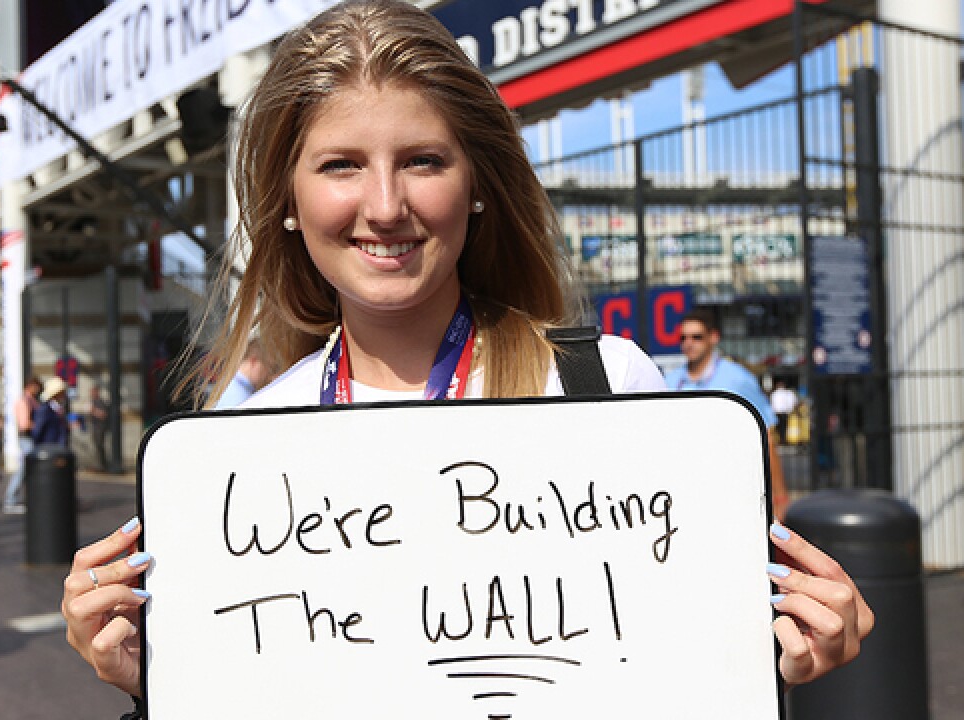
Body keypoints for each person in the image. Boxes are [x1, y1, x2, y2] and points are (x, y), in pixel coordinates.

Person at [59, 0, 872, 707]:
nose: (385, 206)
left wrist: (776, 656)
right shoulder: (249, 438)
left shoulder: (604, 383)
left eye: (422, 160)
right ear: (289, 204)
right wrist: (163, 674)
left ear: (476, 184)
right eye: (341, 165)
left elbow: (672, 662)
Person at [666, 309, 792, 517]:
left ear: (713, 337)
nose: (689, 343)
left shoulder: (737, 378)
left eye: (697, 337)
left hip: (733, 488)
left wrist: (779, 496)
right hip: (684, 488)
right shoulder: (671, 381)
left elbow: (766, 438)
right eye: (683, 338)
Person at [4, 377, 41, 514]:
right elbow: (24, 424)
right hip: (26, 439)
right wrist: (39, 424)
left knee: (28, 469)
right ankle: (10, 499)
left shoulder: (31, 401)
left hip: (29, 439)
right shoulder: (24, 401)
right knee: (23, 469)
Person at [210, 339, 271, 409]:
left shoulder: (229, 382)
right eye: (267, 366)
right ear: (254, 361)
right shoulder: (240, 396)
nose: (267, 374)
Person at [32, 377, 71, 447]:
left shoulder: (59, 409)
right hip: (48, 450)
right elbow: (37, 431)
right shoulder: (45, 410)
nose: (64, 395)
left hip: (60, 449)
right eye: (62, 392)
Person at [771, 380, 800, 445]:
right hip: (784, 412)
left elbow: (773, 403)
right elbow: (792, 402)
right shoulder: (787, 393)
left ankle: (780, 439)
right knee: (784, 426)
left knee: (779, 427)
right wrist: (790, 409)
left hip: (778, 412)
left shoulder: (775, 394)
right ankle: (782, 439)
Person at [88, 386, 110, 471]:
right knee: (96, 446)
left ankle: (102, 465)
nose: (91, 394)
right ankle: (99, 465)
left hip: (100, 427)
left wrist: (94, 411)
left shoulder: (100, 402)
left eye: (93, 392)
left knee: (99, 446)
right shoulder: (93, 402)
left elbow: (103, 415)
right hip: (95, 426)